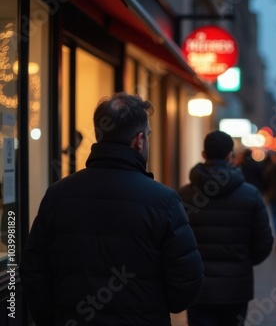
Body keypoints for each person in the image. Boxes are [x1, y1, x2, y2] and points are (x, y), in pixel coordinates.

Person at [19, 93, 204, 326]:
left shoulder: (57, 195)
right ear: (139, 141)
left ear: (99, 135)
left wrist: (52, 317)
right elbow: (187, 283)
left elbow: (33, 270)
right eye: (147, 135)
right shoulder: (164, 202)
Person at [178, 130, 273, 326]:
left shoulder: (184, 196)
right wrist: (244, 262)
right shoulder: (251, 195)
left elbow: (174, 242)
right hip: (236, 286)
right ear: (231, 156)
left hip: (198, 286)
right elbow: (264, 243)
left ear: (204, 154)